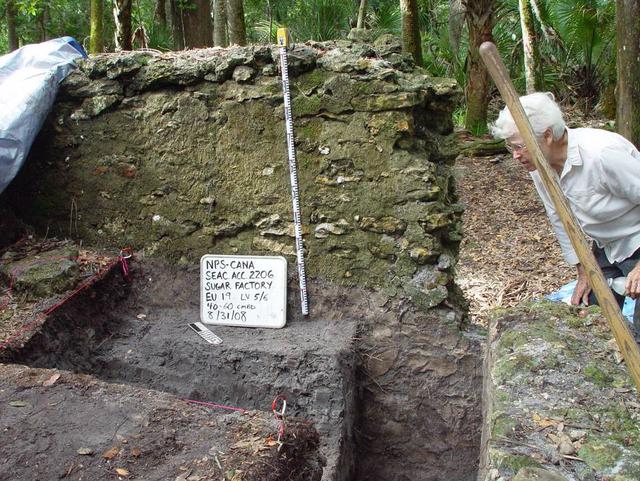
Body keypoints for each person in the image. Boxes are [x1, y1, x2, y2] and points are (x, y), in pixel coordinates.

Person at [491, 92, 640, 333]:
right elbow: (559, 217)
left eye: (519, 146)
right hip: (606, 246)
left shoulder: (602, 155)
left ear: (547, 135)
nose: (515, 156)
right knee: (592, 319)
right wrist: (582, 270)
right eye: (511, 148)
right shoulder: (540, 167)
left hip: (636, 238)